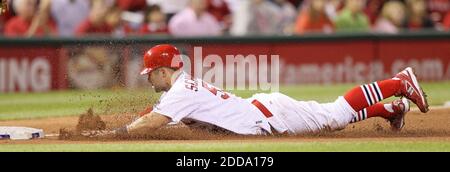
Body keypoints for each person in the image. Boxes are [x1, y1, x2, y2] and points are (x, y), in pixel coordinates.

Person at [87, 44, 429, 137]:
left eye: (151, 73)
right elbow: (155, 115)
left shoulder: (178, 92)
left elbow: (151, 124)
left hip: (269, 116)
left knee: (335, 113)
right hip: (263, 111)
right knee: (332, 117)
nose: (148, 79)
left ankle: (398, 83)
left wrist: (114, 134)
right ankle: (389, 109)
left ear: (164, 71)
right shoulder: (179, 87)